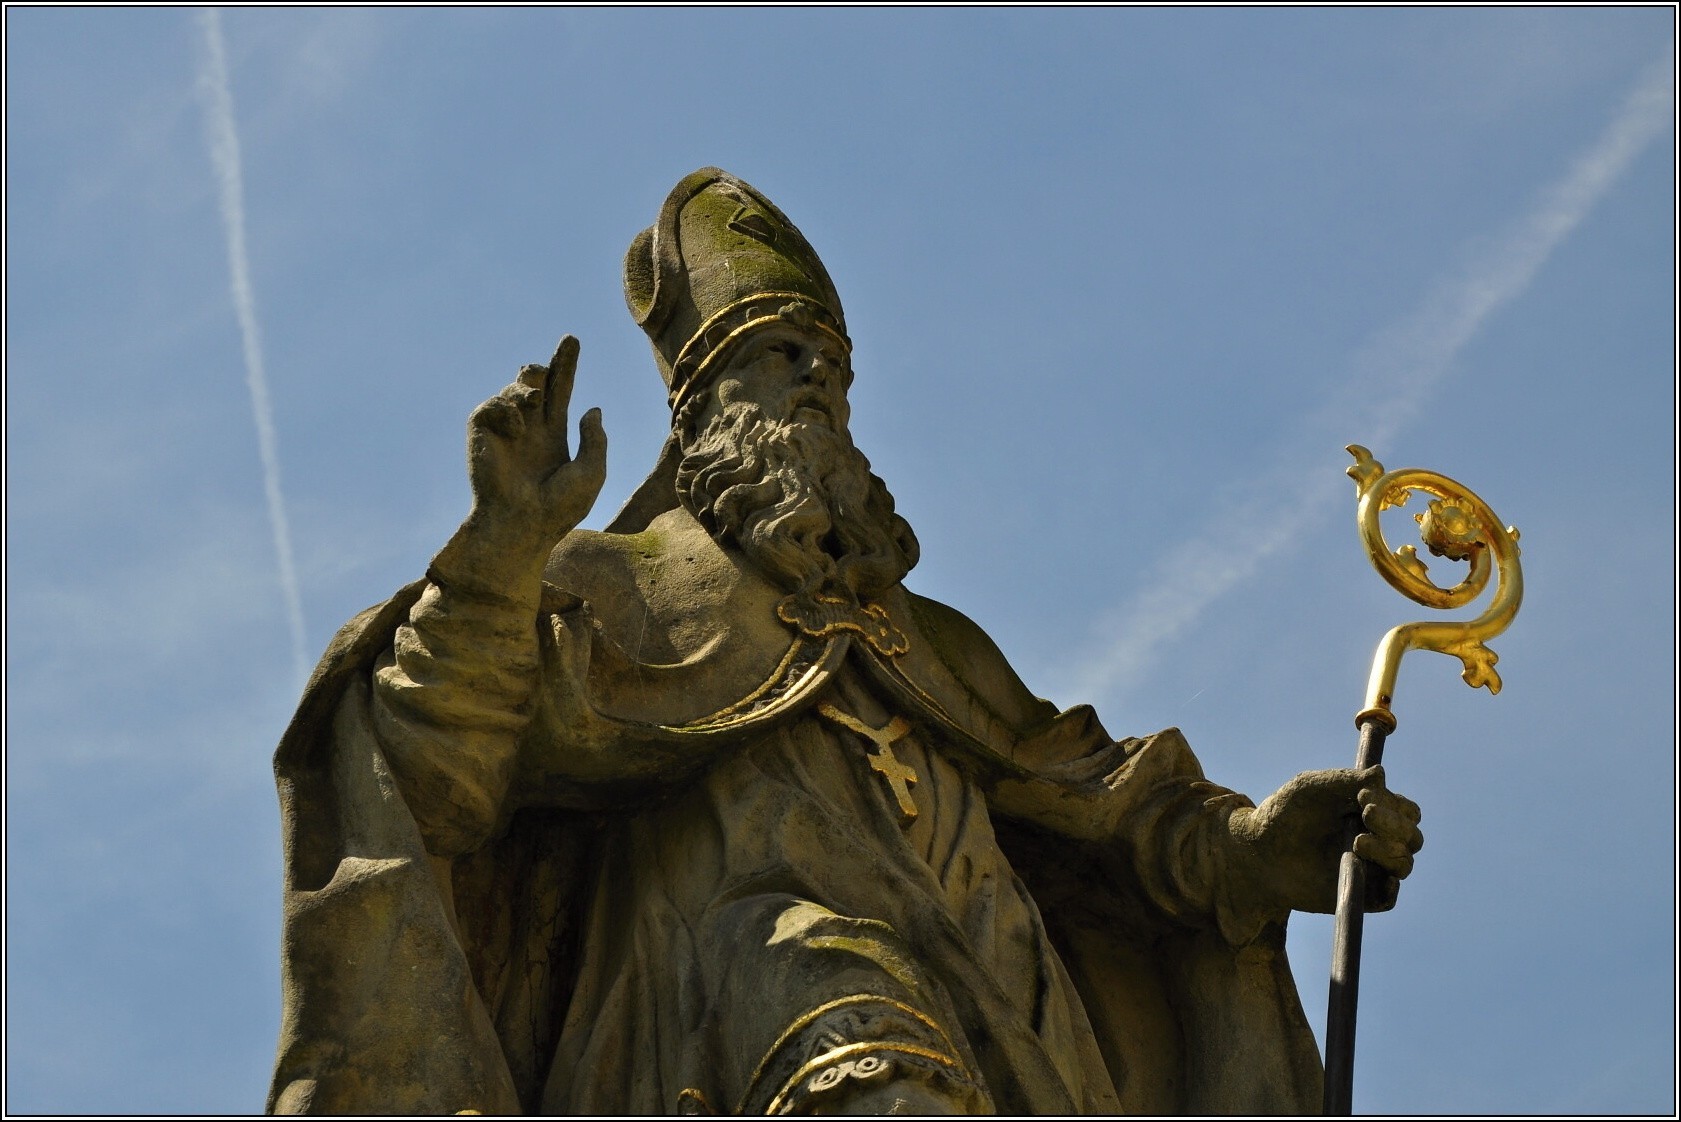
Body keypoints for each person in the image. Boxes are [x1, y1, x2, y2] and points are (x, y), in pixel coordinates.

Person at [268, 168, 1422, 1116]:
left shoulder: (935, 642)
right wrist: (498, 555)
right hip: (753, 994)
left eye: (834, 364)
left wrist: (1254, 846)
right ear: (705, 404)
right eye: (781, 354)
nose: (818, 376)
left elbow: (1107, 802)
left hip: (1003, 1016)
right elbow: (429, 772)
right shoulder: (614, 583)